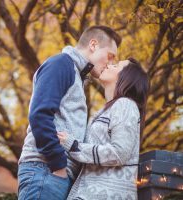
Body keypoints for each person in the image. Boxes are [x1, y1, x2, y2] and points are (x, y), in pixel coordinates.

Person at [17, 26, 122, 200]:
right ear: (93, 45)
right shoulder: (61, 64)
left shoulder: (76, 75)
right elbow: (39, 114)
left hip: (54, 174)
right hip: (46, 170)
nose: (109, 63)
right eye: (110, 56)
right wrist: (58, 164)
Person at [58, 58, 150, 200]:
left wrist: (75, 146)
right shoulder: (106, 110)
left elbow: (119, 152)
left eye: (116, 65)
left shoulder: (125, 105)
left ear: (127, 78)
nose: (109, 65)